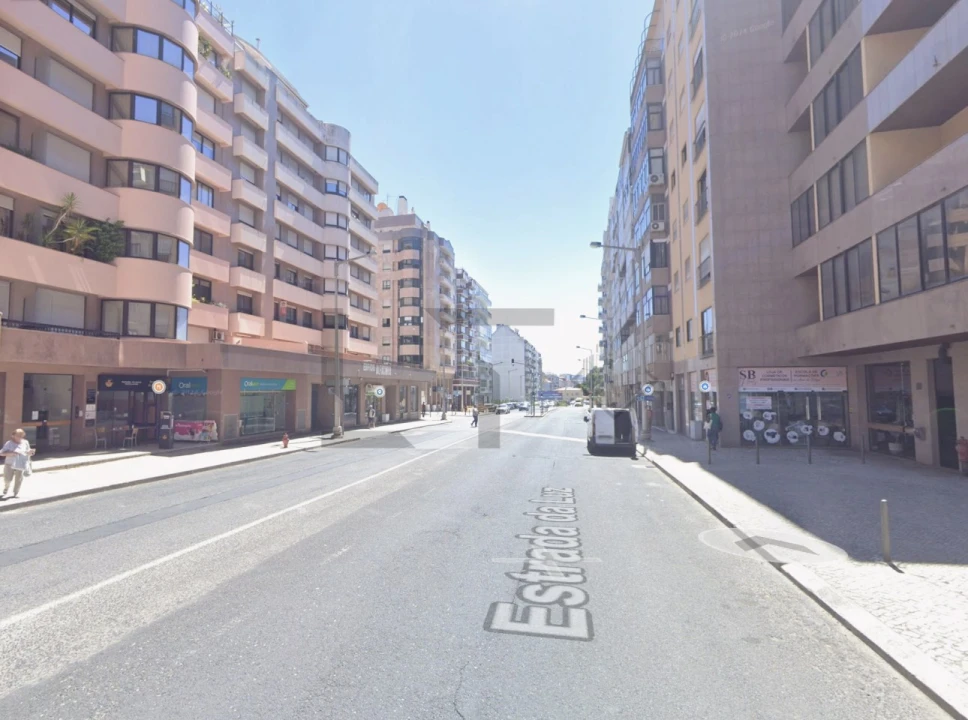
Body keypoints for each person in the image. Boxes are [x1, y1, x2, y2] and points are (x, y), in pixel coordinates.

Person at [1, 428, 35, 500]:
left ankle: (15, 492)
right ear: (13, 435)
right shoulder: (9, 443)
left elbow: (28, 452)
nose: (20, 437)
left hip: (20, 464)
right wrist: (11, 453)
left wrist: (31, 452)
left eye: (21, 436)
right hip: (9, 463)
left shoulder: (25, 442)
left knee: (19, 479)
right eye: (18, 436)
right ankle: (6, 487)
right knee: (7, 479)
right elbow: (1, 453)